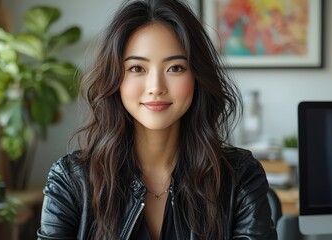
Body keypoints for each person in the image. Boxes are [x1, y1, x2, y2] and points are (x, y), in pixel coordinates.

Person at [37, 0, 277, 239]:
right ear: (115, 78)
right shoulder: (71, 180)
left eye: (175, 68)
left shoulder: (240, 177)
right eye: (136, 68)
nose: (156, 87)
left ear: (197, 77)